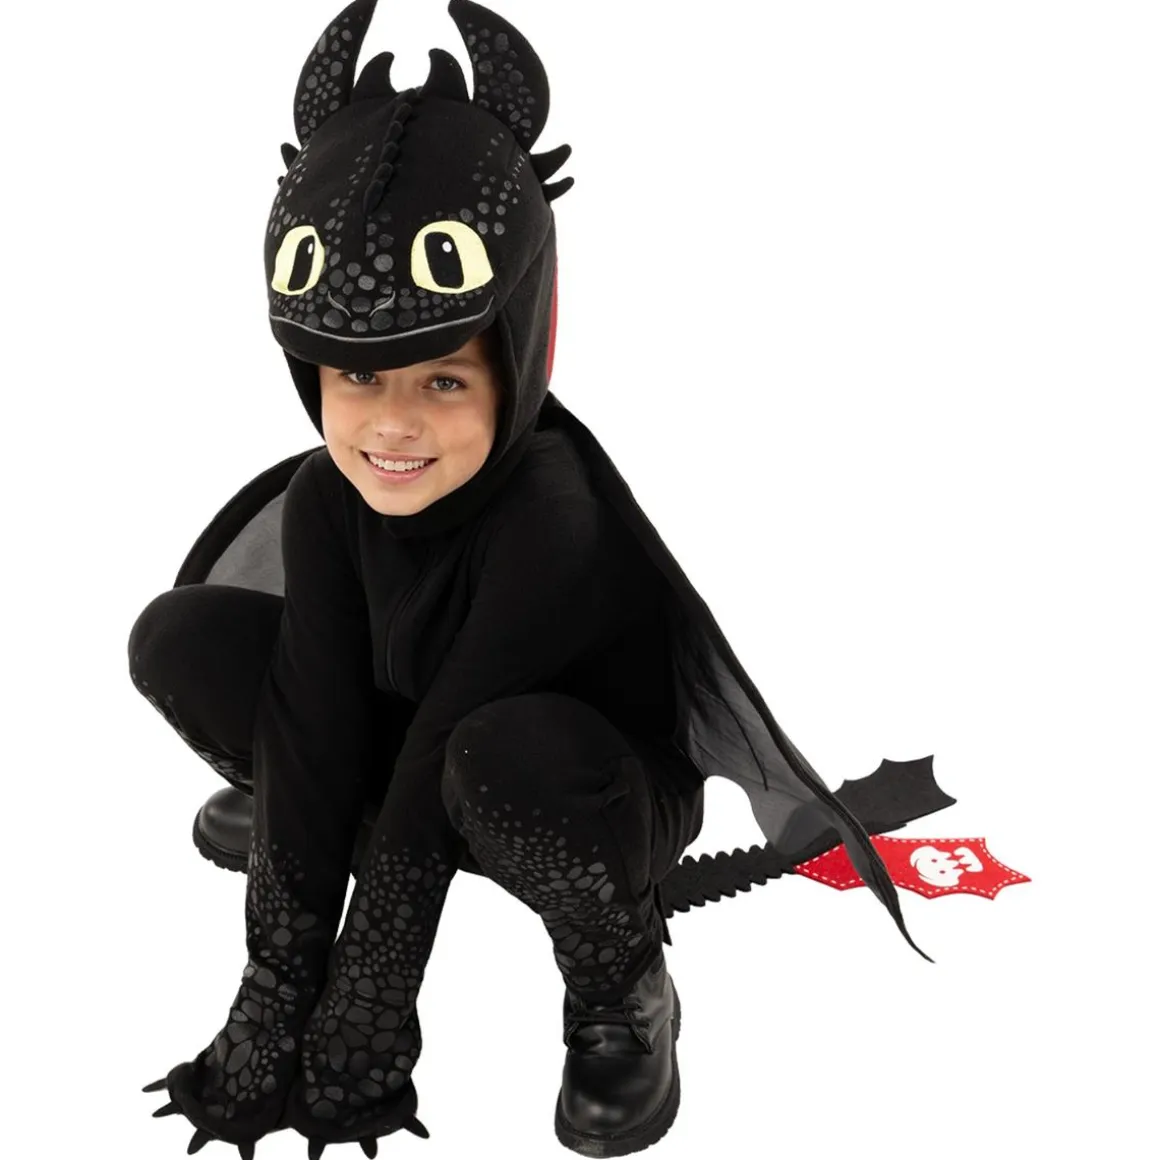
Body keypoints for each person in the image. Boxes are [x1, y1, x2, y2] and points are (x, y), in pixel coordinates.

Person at [130, 2, 930, 1158]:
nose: (390, 426)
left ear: (514, 354)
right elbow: (311, 710)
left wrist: (359, 1021)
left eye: (442, 381)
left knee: (488, 758)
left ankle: (620, 983)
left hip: (573, 779)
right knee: (180, 640)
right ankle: (328, 826)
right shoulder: (322, 496)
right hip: (416, 731)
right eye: (355, 377)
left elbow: (429, 785)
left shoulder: (551, 515)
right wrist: (273, 982)